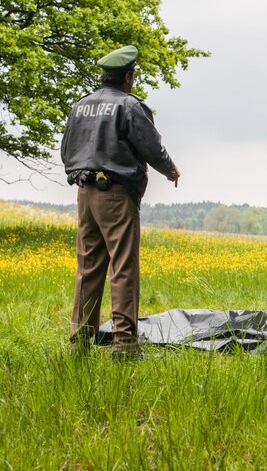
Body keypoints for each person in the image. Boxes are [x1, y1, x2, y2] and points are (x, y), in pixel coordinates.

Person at [60, 45, 180, 358]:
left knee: (88, 267)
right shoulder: (129, 106)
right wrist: (170, 169)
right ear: (127, 76)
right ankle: (125, 345)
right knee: (123, 268)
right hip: (116, 195)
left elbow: (65, 151)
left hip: (85, 193)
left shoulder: (80, 106)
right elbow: (151, 146)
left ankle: (80, 343)